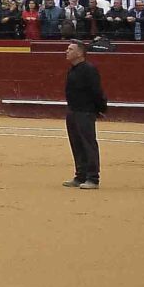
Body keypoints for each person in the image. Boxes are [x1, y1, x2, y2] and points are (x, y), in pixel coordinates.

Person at [63, 41, 107, 189]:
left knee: (88, 144)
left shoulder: (89, 69)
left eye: (70, 49)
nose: (66, 51)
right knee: (77, 144)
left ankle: (93, 178)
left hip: (85, 111)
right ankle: (80, 175)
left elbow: (96, 91)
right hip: (73, 111)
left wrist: (101, 108)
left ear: (80, 53)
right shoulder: (73, 69)